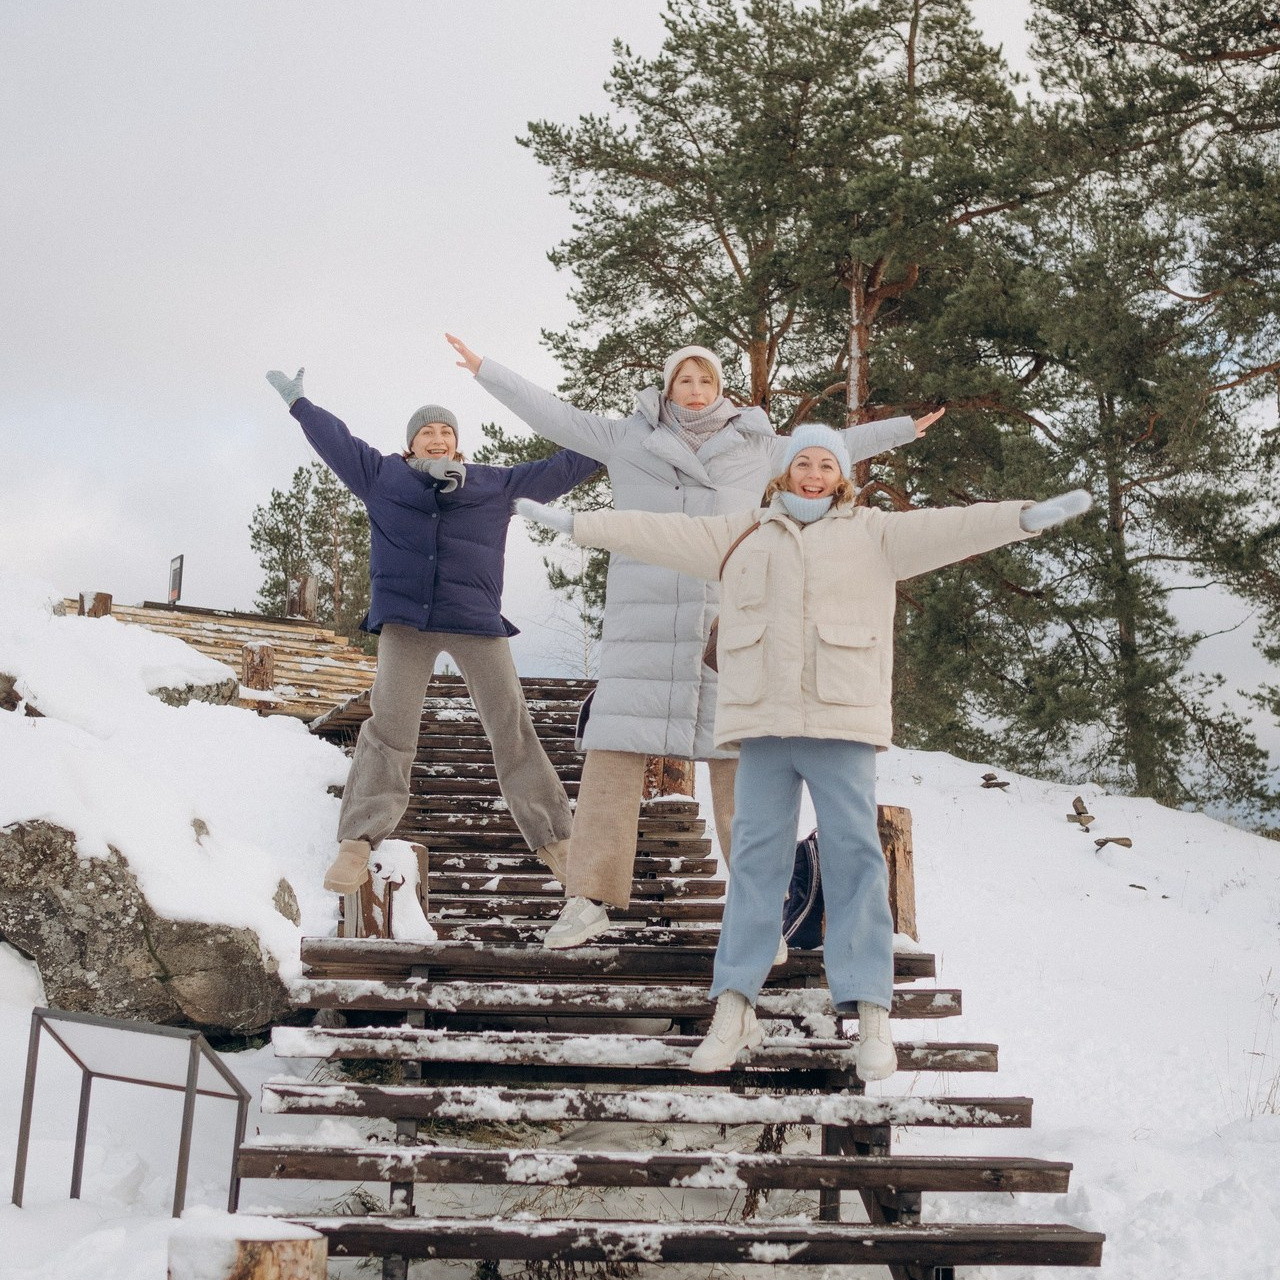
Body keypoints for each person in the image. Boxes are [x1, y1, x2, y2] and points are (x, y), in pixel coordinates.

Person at [517, 423, 1091, 1080]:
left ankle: (873, 1014)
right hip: (761, 726)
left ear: (841, 475)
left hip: (839, 725)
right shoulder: (743, 533)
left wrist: (1024, 518)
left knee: (855, 863)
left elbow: (951, 527)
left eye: (825, 464)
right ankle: (734, 1010)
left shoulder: (873, 533)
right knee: (757, 869)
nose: (813, 473)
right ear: (784, 471)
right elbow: (654, 533)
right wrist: (575, 523)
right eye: (802, 463)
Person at [447, 334, 942, 950]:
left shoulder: (756, 447)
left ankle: (763, 912)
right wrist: (486, 369)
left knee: (743, 767)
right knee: (613, 757)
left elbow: (825, 449)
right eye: (686, 380)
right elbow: (553, 413)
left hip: (726, 621)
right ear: (669, 385)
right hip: (641, 621)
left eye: (706, 380)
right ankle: (587, 900)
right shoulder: (626, 438)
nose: (696, 390)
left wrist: (900, 430)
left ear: (720, 387)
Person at [264, 366, 600, 899]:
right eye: (427, 431)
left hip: (475, 620)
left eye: (446, 431)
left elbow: (564, 468)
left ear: (458, 442)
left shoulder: (495, 483)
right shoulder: (382, 477)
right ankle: (357, 841)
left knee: (510, 726)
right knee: (389, 727)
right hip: (407, 622)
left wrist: (622, 436)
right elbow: (337, 442)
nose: (437, 437)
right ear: (411, 442)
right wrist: (300, 404)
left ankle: (557, 839)